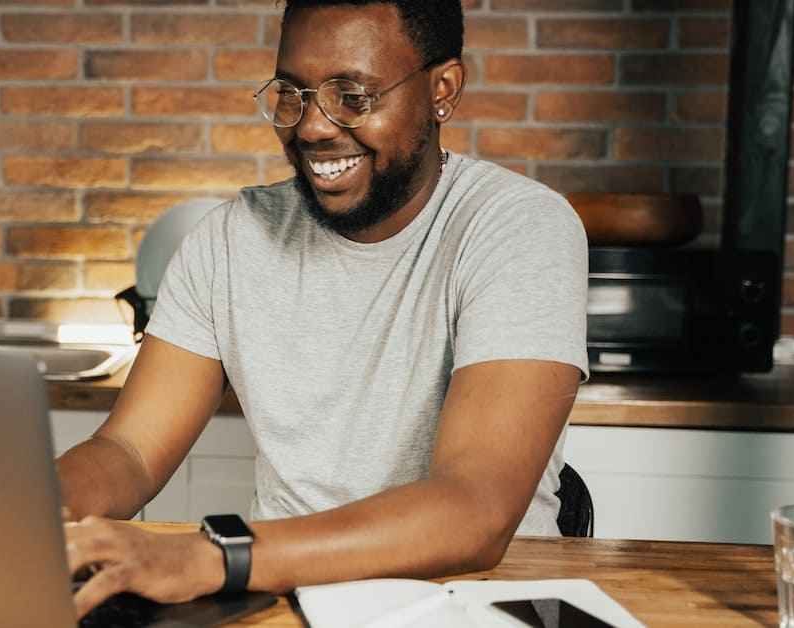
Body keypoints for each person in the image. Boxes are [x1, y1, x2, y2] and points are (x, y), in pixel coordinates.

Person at [56, 0, 589, 617]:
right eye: (294, 93)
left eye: (352, 96)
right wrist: (35, 512)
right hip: (283, 599)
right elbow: (130, 451)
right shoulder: (231, 238)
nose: (311, 127)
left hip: (477, 604)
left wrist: (211, 557)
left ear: (443, 89)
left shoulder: (519, 227)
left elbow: (474, 510)